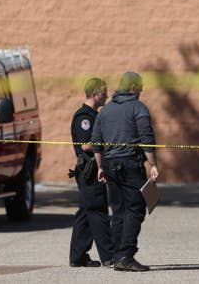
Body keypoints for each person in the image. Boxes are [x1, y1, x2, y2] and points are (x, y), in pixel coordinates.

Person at [92, 71, 159, 272]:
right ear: (132, 88)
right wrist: (153, 164)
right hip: (130, 164)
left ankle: (117, 255)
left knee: (119, 210)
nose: (141, 90)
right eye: (140, 87)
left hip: (110, 165)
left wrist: (100, 167)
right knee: (136, 208)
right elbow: (146, 138)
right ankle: (126, 255)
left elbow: (96, 143)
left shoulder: (105, 111)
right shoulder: (138, 108)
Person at [68, 78, 115, 268]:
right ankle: (110, 255)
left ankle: (78, 256)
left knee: (86, 213)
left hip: (93, 171)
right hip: (89, 171)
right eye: (104, 93)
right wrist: (108, 143)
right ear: (95, 94)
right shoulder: (84, 118)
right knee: (98, 211)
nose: (107, 96)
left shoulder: (94, 115)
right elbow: (85, 145)